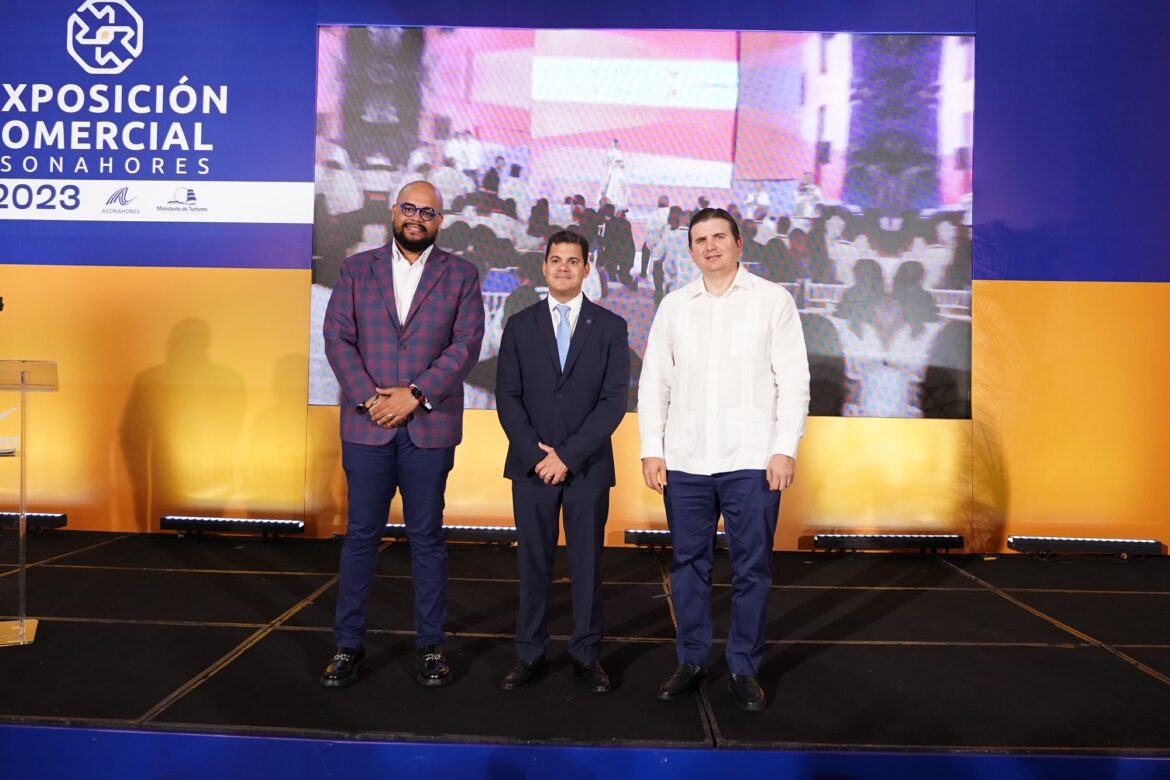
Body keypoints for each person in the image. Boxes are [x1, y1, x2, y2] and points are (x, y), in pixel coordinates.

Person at [638, 208, 810, 712]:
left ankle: (743, 666)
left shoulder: (773, 301)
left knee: (752, 567)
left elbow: (793, 380)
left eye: (719, 237)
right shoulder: (674, 306)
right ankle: (692, 660)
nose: (710, 246)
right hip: (685, 459)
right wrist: (652, 448)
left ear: (739, 243)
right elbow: (654, 381)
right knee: (688, 564)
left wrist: (785, 447)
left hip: (753, 459)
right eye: (700, 240)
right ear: (690, 250)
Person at [320, 180, 485, 689]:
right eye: (409, 209)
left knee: (427, 538)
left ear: (440, 220)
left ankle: (431, 647)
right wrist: (372, 400)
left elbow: (466, 344)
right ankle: (347, 646)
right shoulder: (356, 269)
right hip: (366, 424)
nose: (417, 218)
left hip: (429, 426)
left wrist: (415, 394)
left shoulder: (461, 274)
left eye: (427, 212)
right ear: (394, 212)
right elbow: (337, 338)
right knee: (361, 537)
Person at [495, 230, 630, 694]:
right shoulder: (519, 325)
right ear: (544, 266)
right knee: (533, 564)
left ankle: (586, 655)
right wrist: (539, 456)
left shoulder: (611, 327)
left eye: (573, 261)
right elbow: (507, 397)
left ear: (587, 269)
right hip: (531, 467)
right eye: (556, 260)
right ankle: (529, 654)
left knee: (587, 565)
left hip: (587, 468)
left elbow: (613, 402)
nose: (564, 268)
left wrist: (567, 456)